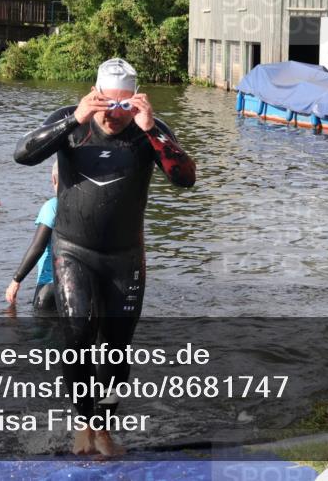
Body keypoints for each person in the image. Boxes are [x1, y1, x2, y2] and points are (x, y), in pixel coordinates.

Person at [13, 58, 196, 456]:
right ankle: (82, 423)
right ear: (94, 95)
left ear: (136, 101)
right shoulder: (72, 121)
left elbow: (186, 179)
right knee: (77, 335)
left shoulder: (150, 130)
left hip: (124, 255)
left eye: (124, 106)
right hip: (72, 249)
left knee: (116, 348)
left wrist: (152, 132)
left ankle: (104, 427)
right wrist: (75, 118)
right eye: (105, 104)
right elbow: (22, 154)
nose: (114, 115)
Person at [5, 162, 59, 312]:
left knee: (42, 333)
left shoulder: (53, 206)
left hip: (50, 287)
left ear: (54, 179)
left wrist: (16, 280)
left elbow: (38, 247)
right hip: (81, 287)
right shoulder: (87, 206)